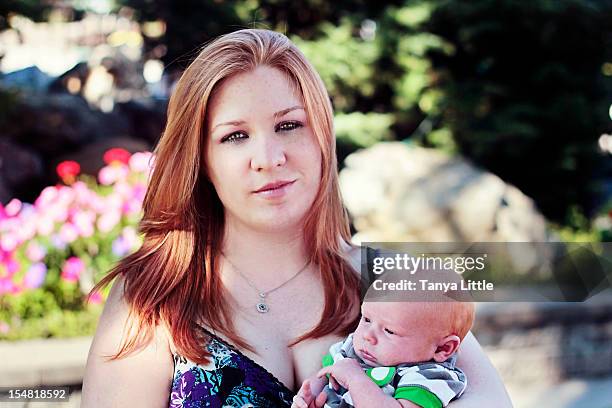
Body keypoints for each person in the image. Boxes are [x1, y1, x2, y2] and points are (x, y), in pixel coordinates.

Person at [81, 28, 512, 407]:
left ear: (322, 136)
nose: (269, 158)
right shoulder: (154, 297)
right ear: (202, 161)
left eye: (288, 125)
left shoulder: (394, 278)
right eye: (235, 136)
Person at [292, 279, 475, 408]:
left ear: (443, 348)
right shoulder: (351, 350)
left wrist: (356, 379)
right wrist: (309, 396)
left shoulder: (429, 377)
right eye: (366, 319)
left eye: (389, 331)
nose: (368, 336)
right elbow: (324, 374)